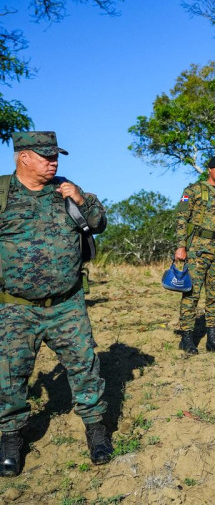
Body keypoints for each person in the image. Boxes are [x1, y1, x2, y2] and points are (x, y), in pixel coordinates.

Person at [0, 131, 113, 477]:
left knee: (84, 367)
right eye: (46, 156)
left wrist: (81, 198)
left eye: (56, 156)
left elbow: (100, 224)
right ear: (24, 158)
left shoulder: (67, 190)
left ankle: (96, 431)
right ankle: (9, 438)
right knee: (10, 375)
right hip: (15, 306)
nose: (54, 162)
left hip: (67, 303)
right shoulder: (3, 194)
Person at [174, 155, 215, 355]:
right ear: (209, 169)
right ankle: (186, 338)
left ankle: (213, 339)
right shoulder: (193, 191)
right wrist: (181, 246)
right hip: (197, 251)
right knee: (191, 294)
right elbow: (182, 218)